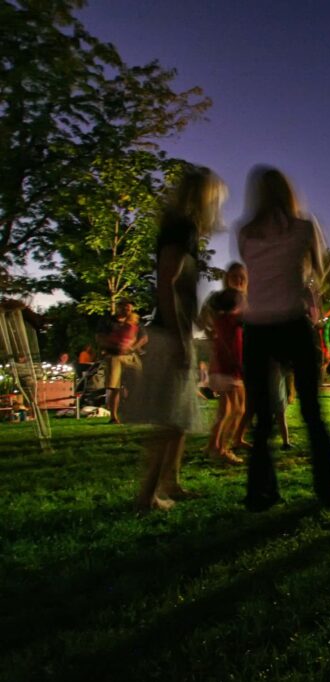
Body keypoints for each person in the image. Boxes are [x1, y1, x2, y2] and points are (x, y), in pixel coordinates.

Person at [238, 166, 330, 511]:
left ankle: (260, 493)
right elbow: (316, 269)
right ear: (288, 194)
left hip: (256, 328)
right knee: (312, 412)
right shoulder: (303, 228)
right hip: (291, 323)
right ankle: (326, 487)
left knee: (262, 416)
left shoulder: (245, 234)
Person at [125, 167, 226, 512]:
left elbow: (181, 290)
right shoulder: (181, 227)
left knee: (179, 419)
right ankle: (147, 496)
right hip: (170, 335)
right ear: (203, 197)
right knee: (169, 420)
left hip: (178, 330)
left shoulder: (184, 228)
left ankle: (171, 483)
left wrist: (199, 321)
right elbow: (166, 282)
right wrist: (181, 337)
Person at [200, 262, 248, 465]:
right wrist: (212, 333)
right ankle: (222, 449)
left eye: (242, 277)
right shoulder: (229, 300)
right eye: (235, 276)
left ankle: (213, 446)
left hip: (230, 359)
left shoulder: (233, 300)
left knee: (229, 410)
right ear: (227, 277)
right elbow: (203, 319)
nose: (238, 280)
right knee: (236, 409)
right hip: (227, 361)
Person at [100, 299, 146, 424]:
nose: (128, 310)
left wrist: (133, 347)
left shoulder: (135, 322)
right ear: (119, 308)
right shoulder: (110, 322)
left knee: (138, 381)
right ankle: (114, 417)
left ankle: (135, 412)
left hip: (131, 356)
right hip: (114, 356)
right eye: (125, 308)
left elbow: (144, 337)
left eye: (130, 308)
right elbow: (100, 337)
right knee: (115, 387)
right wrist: (110, 346)